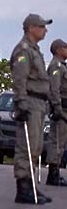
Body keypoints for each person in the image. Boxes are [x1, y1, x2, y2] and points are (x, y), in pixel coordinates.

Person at [11, 13, 54, 205]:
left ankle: (31, 185)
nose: (45, 30)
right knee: (26, 147)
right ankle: (23, 188)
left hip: (39, 103)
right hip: (29, 101)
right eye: (42, 26)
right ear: (31, 28)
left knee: (35, 147)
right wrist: (20, 103)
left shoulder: (34, 50)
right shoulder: (24, 50)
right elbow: (20, 78)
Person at [46, 38, 67, 186]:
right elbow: (54, 89)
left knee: (60, 142)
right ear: (59, 49)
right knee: (57, 141)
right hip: (61, 109)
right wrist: (57, 107)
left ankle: (55, 172)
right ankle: (53, 174)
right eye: (65, 47)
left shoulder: (61, 66)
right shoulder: (57, 66)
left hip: (63, 109)